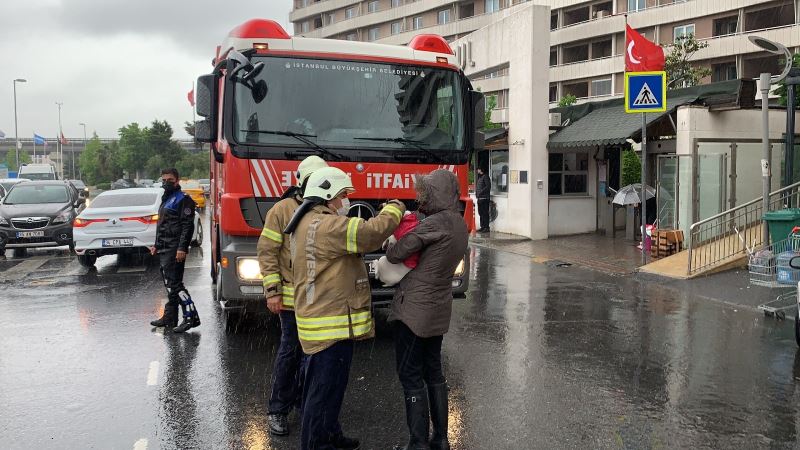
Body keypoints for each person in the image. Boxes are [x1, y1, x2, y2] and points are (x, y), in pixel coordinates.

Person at [285, 166, 405, 450]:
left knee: (330, 390)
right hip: (329, 325)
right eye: (342, 197)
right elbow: (369, 234)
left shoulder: (308, 221)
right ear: (328, 196)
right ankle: (315, 444)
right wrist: (394, 210)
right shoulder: (328, 226)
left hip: (324, 319)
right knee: (321, 393)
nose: (345, 203)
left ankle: (329, 435)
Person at [386, 169, 469, 450]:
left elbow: (395, 254)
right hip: (438, 309)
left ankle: (418, 442)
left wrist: (393, 236)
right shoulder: (458, 223)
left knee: (410, 374)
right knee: (434, 371)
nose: (420, 198)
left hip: (413, 311)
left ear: (434, 194)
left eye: (425, 193)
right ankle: (441, 439)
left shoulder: (433, 224)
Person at [256, 155, 328, 437]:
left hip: (319, 297)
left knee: (315, 353)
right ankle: (278, 409)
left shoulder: (328, 209)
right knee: (291, 351)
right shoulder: (283, 210)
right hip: (290, 296)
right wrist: (272, 291)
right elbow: (267, 252)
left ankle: (304, 402)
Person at [149, 168, 200, 333]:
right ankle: (170, 317)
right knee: (170, 285)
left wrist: (182, 248)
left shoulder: (183, 200)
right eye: (163, 180)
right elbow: (162, 225)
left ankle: (191, 316)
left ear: (177, 181)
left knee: (175, 285)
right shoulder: (167, 198)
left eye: (169, 180)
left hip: (174, 249)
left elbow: (187, 226)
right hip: (164, 248)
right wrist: (156, 244)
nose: (166, 183)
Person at [475, 167, 491, 233]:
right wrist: (477, 194)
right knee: (481, 213)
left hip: (484, 198)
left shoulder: (486, 177)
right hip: (480, 198)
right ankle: (482, 227)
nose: (477, 170)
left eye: (478, 169)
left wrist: (480, 192)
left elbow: (488, 187)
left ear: (481, 169)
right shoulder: (480, 177)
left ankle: (486, 227)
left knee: (485, 213)